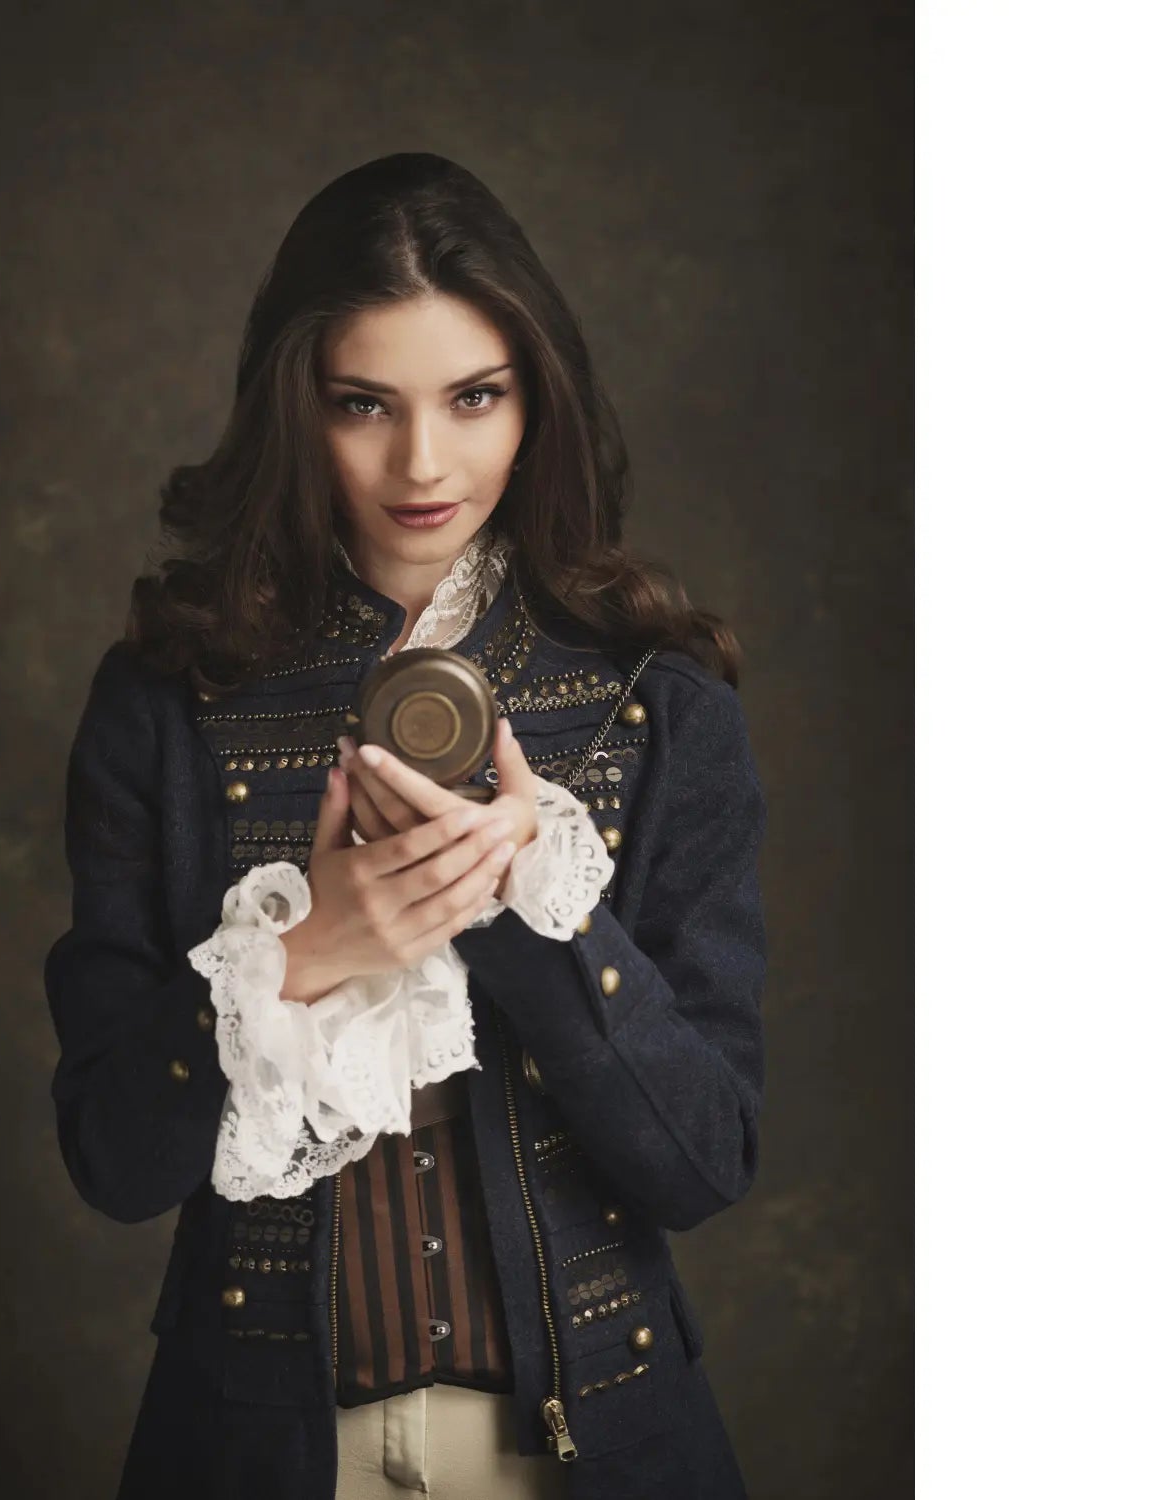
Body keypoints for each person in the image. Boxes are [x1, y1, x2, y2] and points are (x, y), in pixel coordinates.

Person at [44, 152, 768, 1500]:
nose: (422, 462)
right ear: (294, 412)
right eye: (363, 404)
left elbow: (705, 1161)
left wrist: (532, 921)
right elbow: (113, 1159)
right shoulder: (170, 704)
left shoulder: (652, 706)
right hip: (258, 1447)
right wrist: (301, 955)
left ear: (536, 398)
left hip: (584, 1447)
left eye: (474, 397)